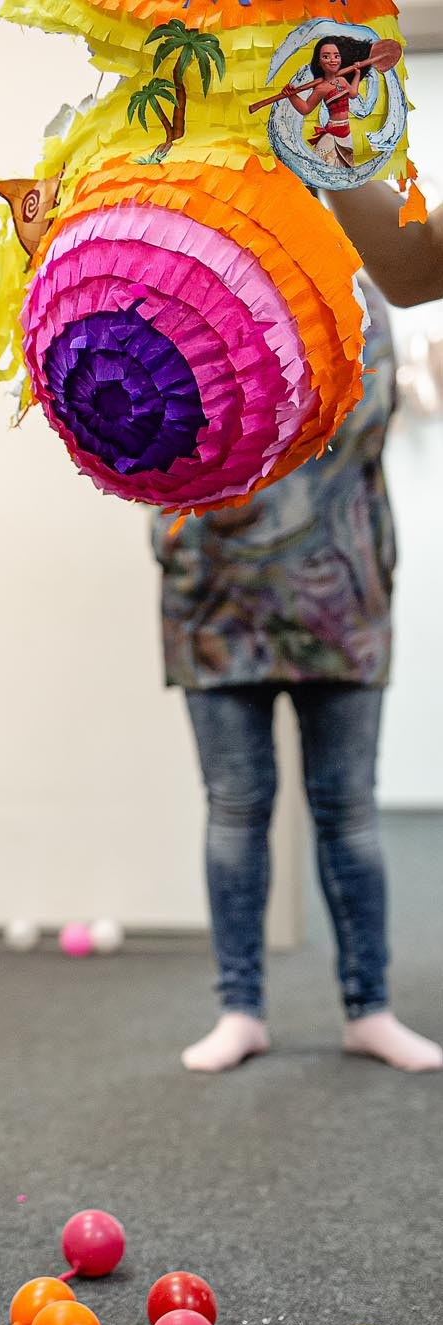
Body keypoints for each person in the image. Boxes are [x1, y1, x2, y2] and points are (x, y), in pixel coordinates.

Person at [151, 278, 442, 1074]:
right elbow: (145, 427)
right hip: (214, 600)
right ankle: (239, 1009)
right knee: (235, 810)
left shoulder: (353, 294)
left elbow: (363, 417)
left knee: (347, 812)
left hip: (337, 595)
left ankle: (368, 1008)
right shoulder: (188, 288)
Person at [328, 183, 443, 1325]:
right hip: (244, 586)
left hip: (344, 579)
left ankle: (365, 1005)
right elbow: (412, 265)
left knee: (345, 809)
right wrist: (314, 124)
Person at [286, 37, 372, 171]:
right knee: (325, 167)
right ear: (319, 61)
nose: (333, 60)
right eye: (326, 56)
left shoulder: (342, 80)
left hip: (346, 133)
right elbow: (305, 108)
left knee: (345, 167)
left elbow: (353, 93)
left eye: (336, 56)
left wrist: (357, 74)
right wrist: (292, 96)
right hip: (332, 134)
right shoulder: (321, 88)